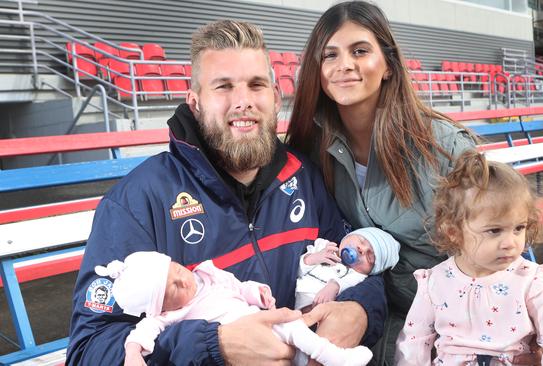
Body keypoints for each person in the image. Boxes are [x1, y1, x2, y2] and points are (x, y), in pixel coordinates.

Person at [67, 19, 387, 366]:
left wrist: (361, 309)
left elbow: (355, 260)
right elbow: (88, 350)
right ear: (195, 102)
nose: (243, 101)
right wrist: (213, 347)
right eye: (223, 87)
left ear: (275, 96)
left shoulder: (304, 176)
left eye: (256, 84)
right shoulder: (138, 202)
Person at [285, 1, 480, 364]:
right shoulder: (309, 151)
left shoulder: (447, 147)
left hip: (457, 329)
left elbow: (496, 247)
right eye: (330, 55)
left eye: (360, 50)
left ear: (388, 65)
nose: (344, 64)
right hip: (370, 321)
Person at [395, 151, 543, 366]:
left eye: (519, 228)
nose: (510, 242)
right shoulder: (435, 281)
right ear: (454, 232)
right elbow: (414, 340)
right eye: (494, 231)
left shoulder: (531, 281)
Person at [94, 251, 373, 366]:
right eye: (174, 289)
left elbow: (238, 287)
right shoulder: (168, 316)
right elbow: (141, 332)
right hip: (239, 349)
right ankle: (333, 358)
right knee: (292, 334)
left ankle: (334, 357)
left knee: (296, 328)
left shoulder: (207, 276)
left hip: (263, 320)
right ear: (160, 307)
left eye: (177, 269)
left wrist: (257, 292)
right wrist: (132, 353)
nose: (184, 280)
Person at [296, 227, 400, 311]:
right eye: (361, 241)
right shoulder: (323, 246)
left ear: (370, 271)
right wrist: (313, 258)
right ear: (348, 235)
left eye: (369, 257)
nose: (362, 250)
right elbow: (294, 270)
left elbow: (347, 284)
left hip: (311, 312)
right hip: (288, 294)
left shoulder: (357, 275)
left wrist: (334, 286)